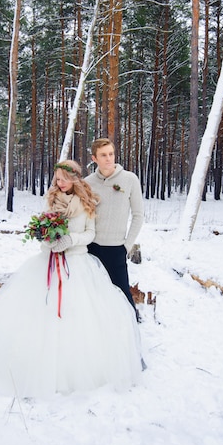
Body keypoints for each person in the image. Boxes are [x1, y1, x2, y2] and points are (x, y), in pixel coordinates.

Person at [0, 159, 143, 398]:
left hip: (78, 264)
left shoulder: (87, 201)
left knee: (79, 314)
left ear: (74, 179)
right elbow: (42, 229)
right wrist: (48, 240)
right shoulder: (51, 199)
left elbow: (90, 233)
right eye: (57, 179)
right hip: (49, 264)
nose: (58, 183)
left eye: (63, 178)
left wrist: (70, 240)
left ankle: (77, 370)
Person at [85, 138, 144, 322]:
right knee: (93, 290)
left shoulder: (129, 179)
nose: (108, 158)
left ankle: (132, 323)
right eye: (103, 155)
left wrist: (126, 246)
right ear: (94, 158)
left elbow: (138, 215)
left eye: (111, 154)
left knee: (121, 290)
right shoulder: (87, 183)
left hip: (116, 248)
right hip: (92, 247)